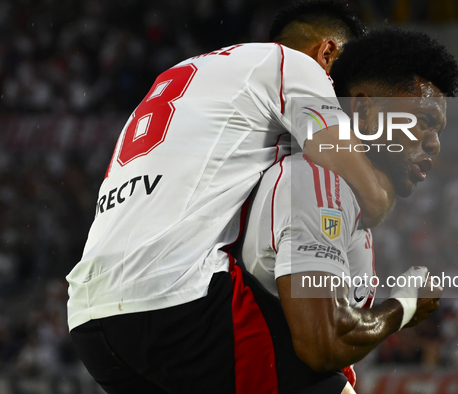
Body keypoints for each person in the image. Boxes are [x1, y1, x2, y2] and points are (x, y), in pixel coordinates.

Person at [66, 2, 398, 394]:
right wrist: (388, 185)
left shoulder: (185, 75)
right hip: (177, 302)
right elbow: (367, 194)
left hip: (90, 319)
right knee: (327, 379)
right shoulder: (295, 66)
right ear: (327, 53)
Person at [241, 26, 458, 393]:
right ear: (364, 110)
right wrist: (404, 306)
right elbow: (322, 345)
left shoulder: (352, 207)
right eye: (424, 122)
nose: (435, 144)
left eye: (439, 131)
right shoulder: (316, 181)